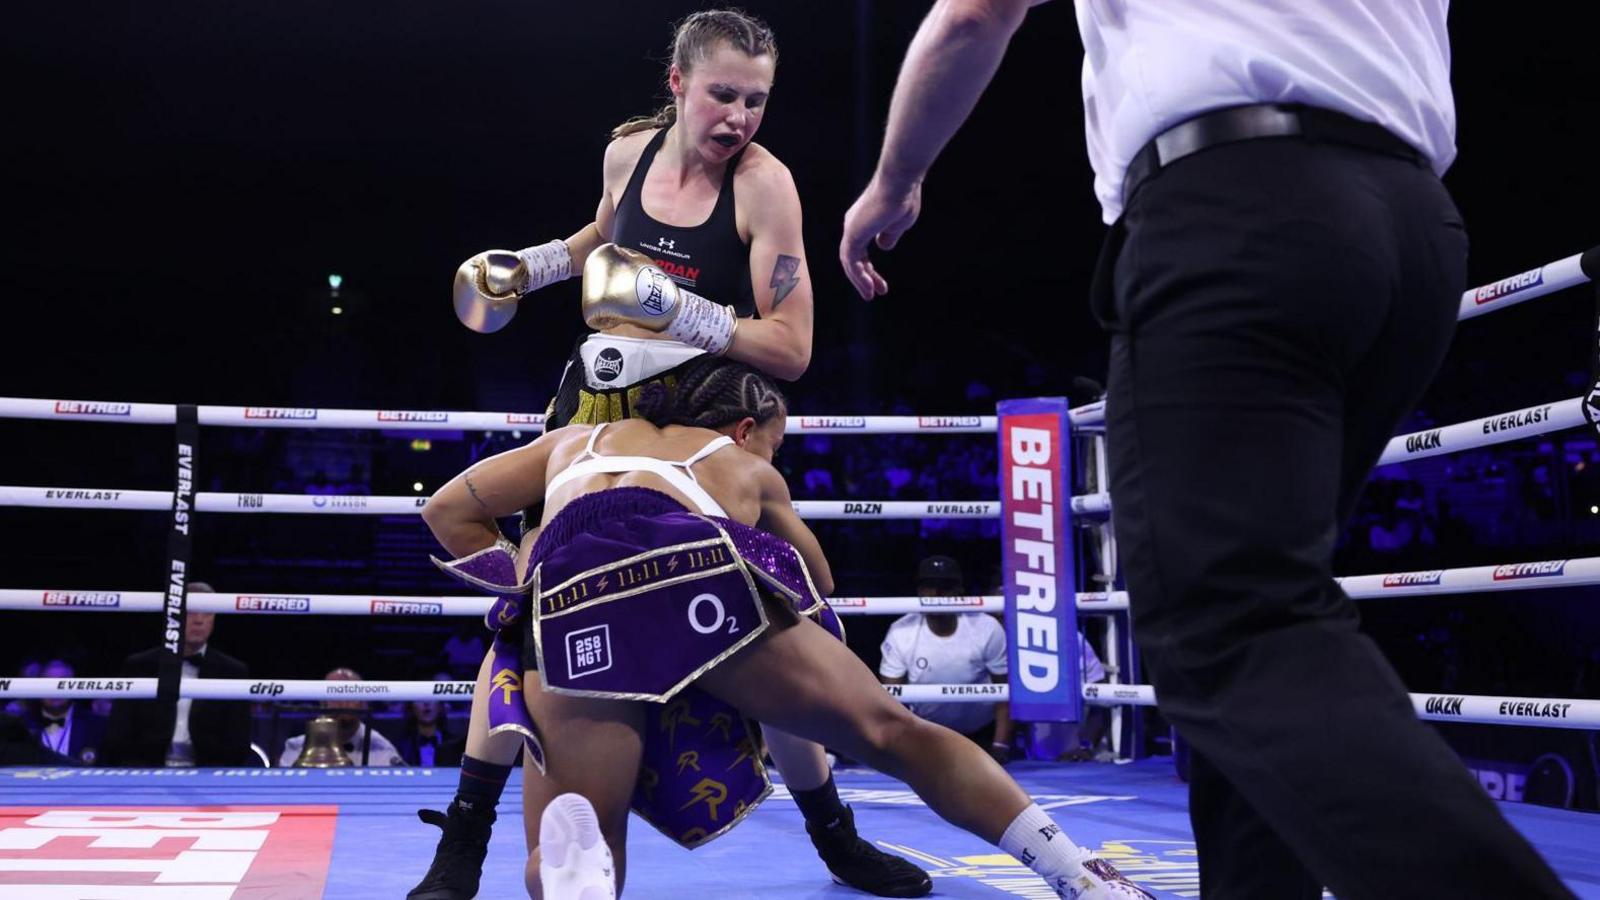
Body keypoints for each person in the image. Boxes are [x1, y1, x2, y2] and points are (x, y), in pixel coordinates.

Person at [838, 2, 1573, 898]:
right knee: (1264, 621)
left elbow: (975, 14)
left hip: (1242, 205)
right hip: (1412, 228)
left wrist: (895, 179)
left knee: (1223, 623)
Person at [419, 10, 926, 899]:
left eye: (757, 100)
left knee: (775, 626)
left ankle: (836, 837)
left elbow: (794, 347)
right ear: (678, 84)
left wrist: (675, 309)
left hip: (704, 427)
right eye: (724, 94)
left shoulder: (766, 187)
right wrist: (529, 269)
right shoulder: (631, 155)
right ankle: (460, 849)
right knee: (529, 627)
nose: (739, 116)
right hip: (595, 409)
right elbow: (599, 241)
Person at [422, 358, 1152, 900]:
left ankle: (575, 878)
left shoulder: (577, 442)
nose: (775, 456)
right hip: (692, 571)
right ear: (745, 429)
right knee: (894, 733)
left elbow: (445, 511)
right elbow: (818, 582)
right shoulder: (738, 462)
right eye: (776, 442)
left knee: (583, 822)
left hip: (575, 591)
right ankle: (1078, 875)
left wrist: (524, 567)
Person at [878, 555, 1014, 765]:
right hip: (927, 735)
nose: (936, 594)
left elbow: (1004, 689)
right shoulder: (901, 631)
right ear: (919, 591)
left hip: (981, 734)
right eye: (929, 586)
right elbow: (890, 698)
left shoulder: (986, 627)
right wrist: (903, 745)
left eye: (945, 586)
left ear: (959, 591)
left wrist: (1000, 746)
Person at [102, 584, 255, 767]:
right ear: (173, 616)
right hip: (147, 772)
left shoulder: (233, 671)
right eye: (191, 612)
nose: (199, 620)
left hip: (207, 776)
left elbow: (238, 743)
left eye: (207, 613)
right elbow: (118, 735)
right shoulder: (140, 666)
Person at [278, 668, 405, 767]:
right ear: (323, 702)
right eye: (335, 694)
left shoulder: (381, 749)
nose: (343, 701)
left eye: (350, 693)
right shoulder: (296, 747)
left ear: (363, 702)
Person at [22, 659, 107, 765]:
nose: (55, 690)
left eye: (63, 684)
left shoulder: (97, 725)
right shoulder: (22, 724)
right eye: (49, 683)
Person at [395, 675, 466, 768]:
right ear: (411, 707)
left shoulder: (456, 745)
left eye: (431, 697)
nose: (426, 703)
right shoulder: (401, 747)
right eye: (420, 698)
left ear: (441, 705)